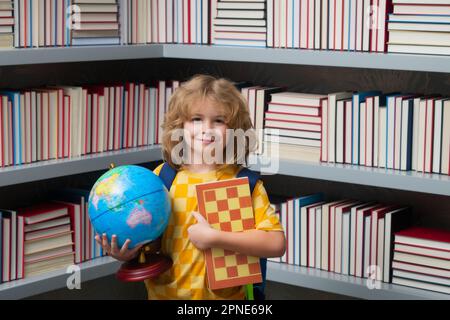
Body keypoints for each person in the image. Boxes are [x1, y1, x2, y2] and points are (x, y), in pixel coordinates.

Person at [95, 74, 285, 300]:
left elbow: (276, 243)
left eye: (219, 120)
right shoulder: (161, 179)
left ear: (235, 129)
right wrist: (127, 254)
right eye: (196, 118)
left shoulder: (243, 183)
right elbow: (151, 242)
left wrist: (215, 238)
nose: (207, 129)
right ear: (180, 124)